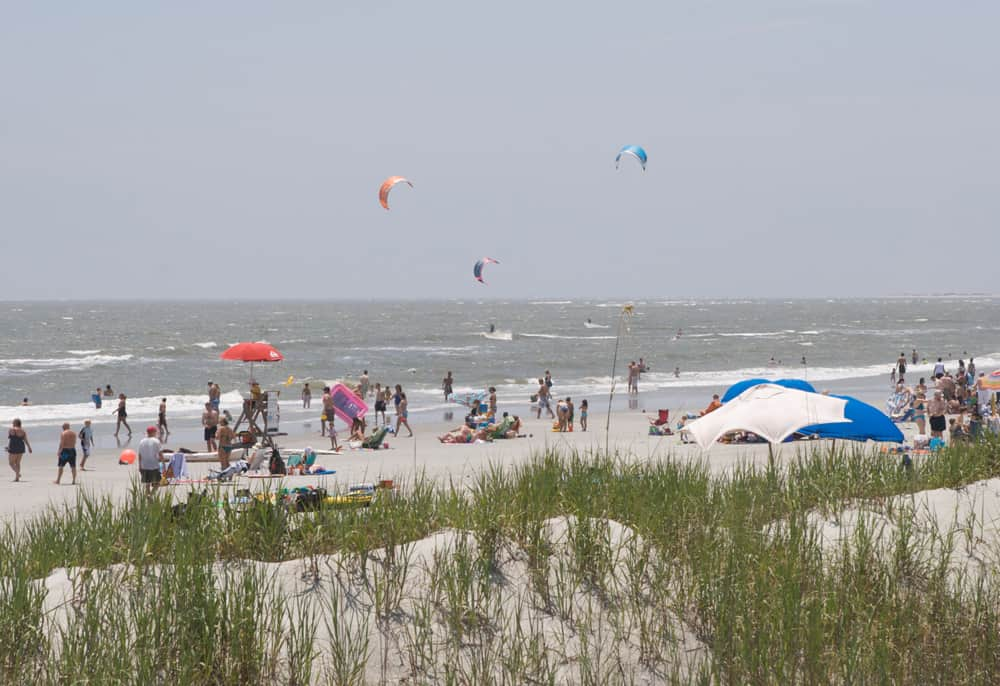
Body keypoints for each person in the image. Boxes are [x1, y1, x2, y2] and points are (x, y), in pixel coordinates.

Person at [137, 425, 164, 495]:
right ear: (153, 432)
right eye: (155, 432)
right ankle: (151, 495)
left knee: (147, 484)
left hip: (144, 465)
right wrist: (163, 464)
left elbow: (139, 455)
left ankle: (148, 499)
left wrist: (139, 466)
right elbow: (160, 454)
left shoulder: (141, 441)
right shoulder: (156, 441)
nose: (156, 433)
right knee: (157, 483)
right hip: (154, 465)